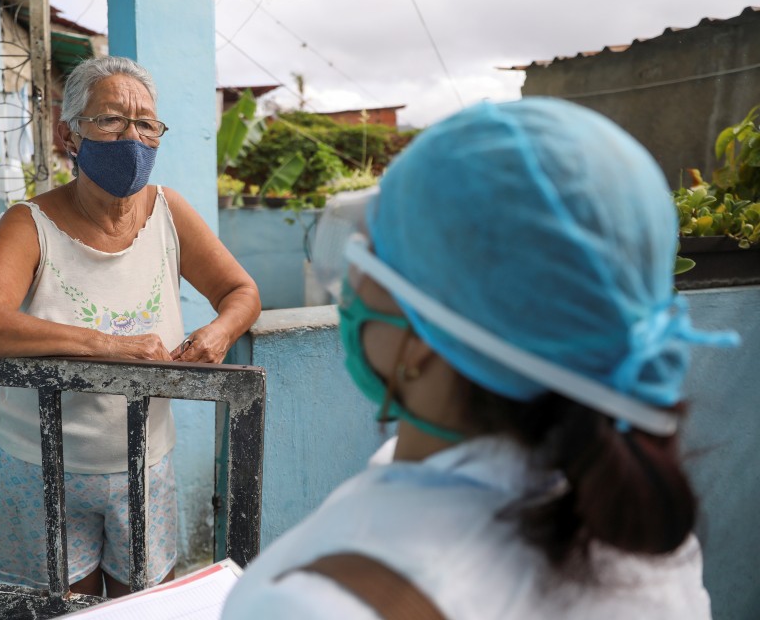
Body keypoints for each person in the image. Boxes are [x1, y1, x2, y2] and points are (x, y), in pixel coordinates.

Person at [221, 98, 737, 619]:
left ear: (425, 340)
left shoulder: (320, 604)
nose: (349, 287)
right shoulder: (639, 530)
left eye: (369, 255)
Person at [0, 56, 261, 598]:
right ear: (69, 134)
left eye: (145, 125)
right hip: (38, 466)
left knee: (146, 605)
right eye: (110, 120)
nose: (131, 137)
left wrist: (220, 332)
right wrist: (106, 347)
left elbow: (241, 292)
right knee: (65, 609)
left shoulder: (168, 212)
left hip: (144, 463)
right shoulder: (30, 223)